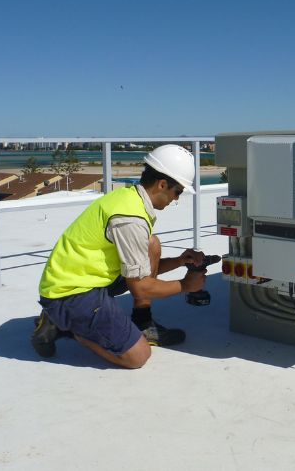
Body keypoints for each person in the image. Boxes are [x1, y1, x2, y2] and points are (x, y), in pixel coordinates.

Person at [31, 144, 207, 368]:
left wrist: (180, 261)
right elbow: (141, 287)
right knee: (138, 356)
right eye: (177, 192)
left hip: (85, 278)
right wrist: (185, 286)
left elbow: (139, 268)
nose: (177, 199)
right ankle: (66, 327)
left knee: (151, 244)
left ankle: (142, 323)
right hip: (71, 293)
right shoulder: (130, 217)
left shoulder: (129, 198)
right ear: (162, 184)